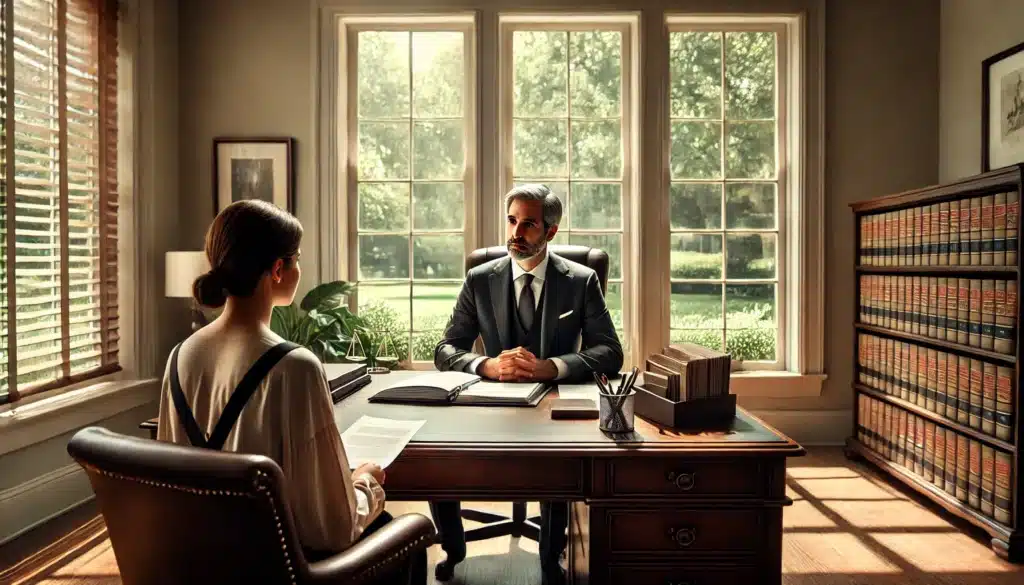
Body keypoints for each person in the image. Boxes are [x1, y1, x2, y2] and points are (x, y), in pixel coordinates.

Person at [156, 200, 418, 583]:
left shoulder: (180, 356)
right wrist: (365, 483)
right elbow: (331, 529)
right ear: (278, 269)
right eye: (296, 258)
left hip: (198, 565)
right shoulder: (294, 366)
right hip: (275, 569)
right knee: (397, 530)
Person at [431, 184, 624, 585]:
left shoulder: (581, 280)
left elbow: (609, 352)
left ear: (551, 232)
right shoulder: (479, 278)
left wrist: (551, 367)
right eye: (512, 220)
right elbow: (446, 349)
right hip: (487, 403)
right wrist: (486, 365)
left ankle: (550, 555)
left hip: (551, 406)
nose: (516, 233)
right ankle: (454, 549)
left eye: (529, 224)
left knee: (556, 459)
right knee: (438, 454)